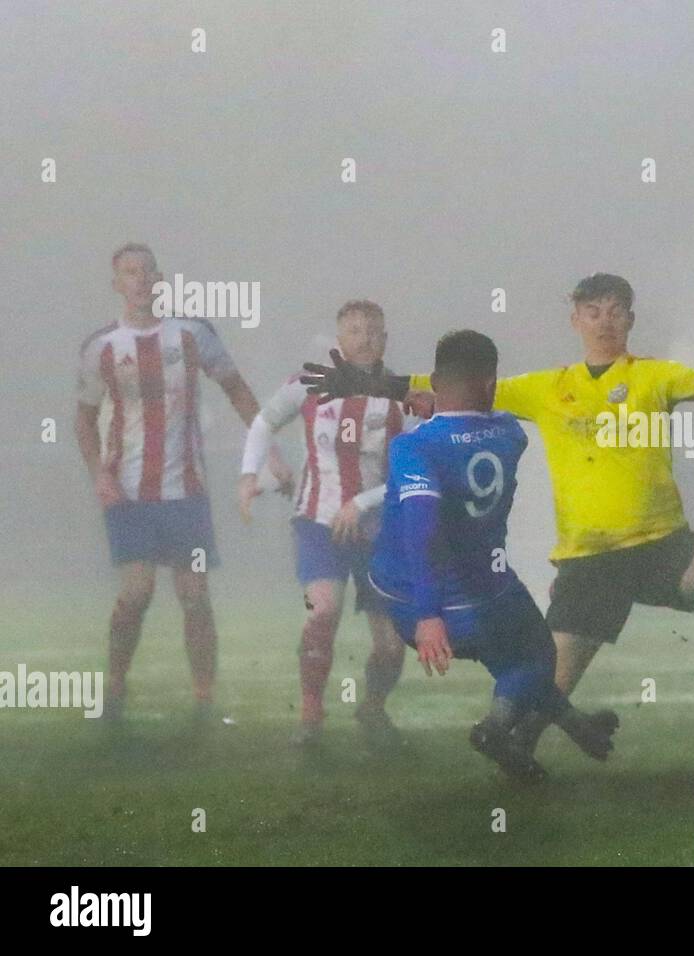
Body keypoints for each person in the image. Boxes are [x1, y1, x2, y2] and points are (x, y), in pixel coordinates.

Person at [303, 274, 694, 755]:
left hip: (664, 549)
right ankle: (516, 759)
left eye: (616, 312)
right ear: (575, 318)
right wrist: (363, 380)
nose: (605, 321)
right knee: (537, 701)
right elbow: (442, 384)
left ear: (630, 320)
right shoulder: (548, 388)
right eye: (593, 310)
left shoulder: (656, 376)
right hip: (590, 561)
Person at [367, 329, 619, 781]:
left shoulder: (412, 446)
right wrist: (434, 615)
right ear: (490, 382)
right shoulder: (509, 433)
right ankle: (496, 728)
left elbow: (421, 527)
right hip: (475, 595)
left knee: (512, 654)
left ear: (438, 382)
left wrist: (425, 616)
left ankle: (580, 728)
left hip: (401, 598)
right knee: (535, 656)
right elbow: (428, 526)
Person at [75, 243, 291, 722]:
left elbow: (236, 389)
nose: (137, 280)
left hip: (186, 493)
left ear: (158, 279)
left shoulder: (192, 335)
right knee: (137, 592)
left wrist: (269, 451)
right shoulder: (102, 347)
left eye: (145, 271)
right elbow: (84, 420)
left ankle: (203, 698)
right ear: (116, 284)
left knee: (194, 596)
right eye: (127, 272)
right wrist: (98, 476)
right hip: (129, 493)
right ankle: (113, 684)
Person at [239, 300, 409, 748]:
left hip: (382, 529)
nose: (364, 337)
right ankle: (310, 717)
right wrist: (248, 475)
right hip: (317, 521)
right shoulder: (308, 384)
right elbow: (263, 423)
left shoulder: (404, 397)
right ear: (339, 340)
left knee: (392, 645)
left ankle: (373, 710)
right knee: (324, 611)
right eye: (354, 330)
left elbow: (415, 475)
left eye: (373, 330)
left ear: (385, 339)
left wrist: (363, 502)